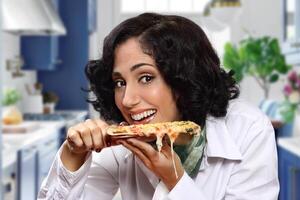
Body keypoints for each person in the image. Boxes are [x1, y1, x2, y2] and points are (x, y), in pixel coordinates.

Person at [38, 13, 279, 200]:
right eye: (119, 82)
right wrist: (73, 154)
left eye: (146, 77)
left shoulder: (249, 130)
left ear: (184, 77)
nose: (127, 100)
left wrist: (174, 180)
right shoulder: (121, 142)